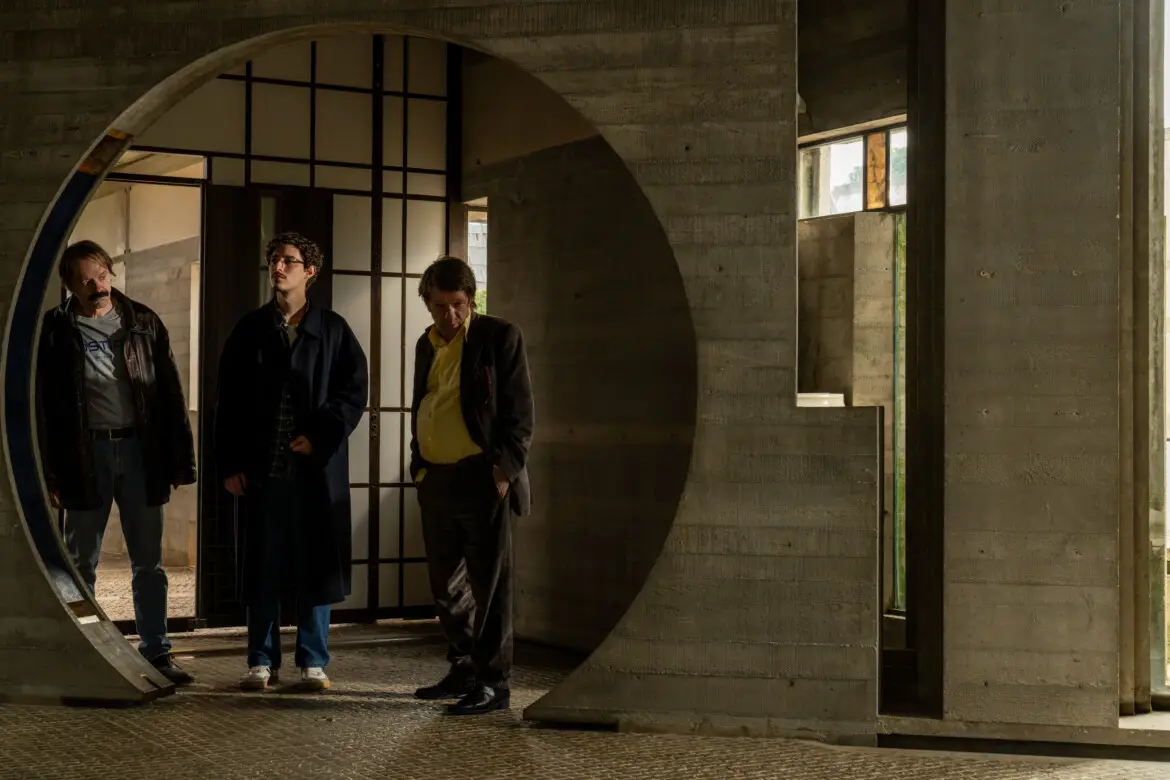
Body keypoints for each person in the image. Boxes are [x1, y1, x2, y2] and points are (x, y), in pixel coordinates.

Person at [36, 240, 197, 685]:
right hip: (84, 455)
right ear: (70, 286)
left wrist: (179, 461)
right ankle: (82, 652)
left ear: (111, 273)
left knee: (149, 563)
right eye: (85, 280)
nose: (97, 286)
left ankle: (157, 652)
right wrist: (49, 471)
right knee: (80, 562)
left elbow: (169, 393)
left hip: (139, 453)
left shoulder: (142, 321)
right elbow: (42, 404)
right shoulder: (55, 328)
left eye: (102, 276)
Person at [215, 232, 367, 692]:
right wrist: (230, 463)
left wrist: (320, 436)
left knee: (316, 564)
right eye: (274, 260)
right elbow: (228, 402)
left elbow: (352, 393)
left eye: (289, 261)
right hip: (263, 471)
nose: (278, 268)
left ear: (310, 271)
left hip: (314, 473)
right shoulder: (251, 329)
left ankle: (313, 660)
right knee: (262, 565)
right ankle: (260, 660)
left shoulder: (333, 329)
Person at [409, 255, 534, 716]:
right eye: (441, 306)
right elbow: (424, 402)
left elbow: (520, 412)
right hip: (436, 478)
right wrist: (418, 465)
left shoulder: (499, 336)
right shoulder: (425, 344)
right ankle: (463, 666)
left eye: (459, 305)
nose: (450, 315)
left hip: (483, 478)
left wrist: (504, 470)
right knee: (446, 585)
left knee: (491, 585)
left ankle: (493, 682)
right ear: (428, 302)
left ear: (471, 300)